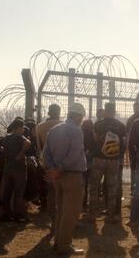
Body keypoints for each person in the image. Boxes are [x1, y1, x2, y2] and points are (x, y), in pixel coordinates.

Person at [43, 103, 87, 255]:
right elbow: (74, 154)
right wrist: (60, 169)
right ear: (77, 116)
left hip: (58, 177)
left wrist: (53, 170)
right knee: (71, 212)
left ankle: (58, 242)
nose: (82, 120)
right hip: (72, 175)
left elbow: (46, 153)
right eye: (81, 117)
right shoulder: (76, 131)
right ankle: (64, 246)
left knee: (61, 210)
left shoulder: (54, 130)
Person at [88, 102, 126, 222]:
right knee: (112, 187)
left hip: (99, 158)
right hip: (114, 160)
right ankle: (112, 214)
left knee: (94, 186)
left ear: (105, 111)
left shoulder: (98, 124)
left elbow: (94, 141)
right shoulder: (120, 125)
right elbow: (124, 143)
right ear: (114, 111)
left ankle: (92, 213)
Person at [0, 118, 31, 221]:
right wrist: (21, 153)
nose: (23, 130)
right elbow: (28, 143)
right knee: (19, 192)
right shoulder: (19, 137)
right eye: (22, 128)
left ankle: (6, 214)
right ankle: (18, 215)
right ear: (18, 128)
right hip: (19, 168)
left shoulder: (6, 138)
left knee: (8, 192)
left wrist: (4, 152)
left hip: (8, 167)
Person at [36, 104, 62, 220]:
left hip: (47, 161)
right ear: (59, 112)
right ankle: (61, 214)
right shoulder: (62, 125)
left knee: (51, 189)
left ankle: (52, 215)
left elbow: (39, 146)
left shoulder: (40, 126)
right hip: (61, 162)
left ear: (48, 112)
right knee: (62, 189)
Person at [81, 119, 96, 210]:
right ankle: (90, 203)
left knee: (83, 184)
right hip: (90, 160)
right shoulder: (93, 133)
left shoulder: (80, 133)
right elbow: (96, 146)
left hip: (81, 161)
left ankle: (83, 203)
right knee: (92, 183)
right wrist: (90, 153)